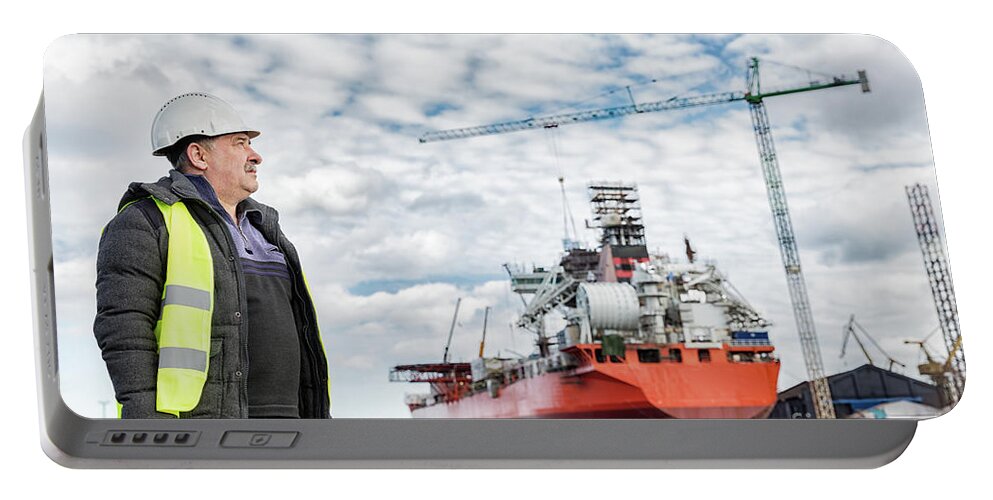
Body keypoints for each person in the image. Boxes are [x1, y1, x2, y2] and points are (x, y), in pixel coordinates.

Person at [94, 92, 330, 419]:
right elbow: (125, 330)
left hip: (290, 425)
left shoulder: (266, 228)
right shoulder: (144, 221)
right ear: (198, 155)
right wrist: (147, 426)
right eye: (240, 143)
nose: (256, 156)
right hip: (204, 425)